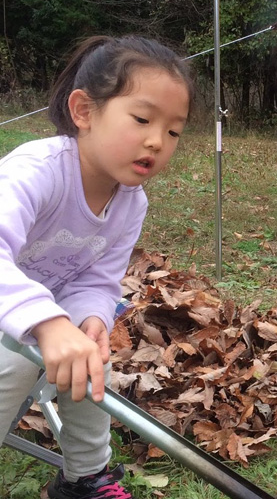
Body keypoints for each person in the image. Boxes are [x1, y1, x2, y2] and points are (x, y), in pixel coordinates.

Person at [0, 35, 194, 499]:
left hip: (40, 318)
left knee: (90, 359)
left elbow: (96, 278)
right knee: (15, 366)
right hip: (17, 315)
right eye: (143, 119)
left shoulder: (131, 202)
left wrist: (89, 316)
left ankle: (84, 477)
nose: (156, 141)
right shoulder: (37, 171)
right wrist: (47, 323)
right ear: (84, 112)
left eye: (173, 131)